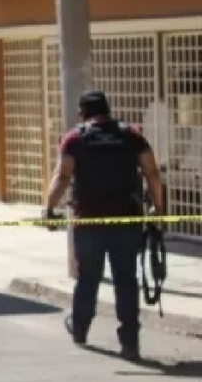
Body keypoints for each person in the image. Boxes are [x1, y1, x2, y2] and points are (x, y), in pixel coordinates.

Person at [44, 90, 163, 361]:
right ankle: (130, 341)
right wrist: (158, 207)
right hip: (126, 219)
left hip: (89, 221)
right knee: (125, 280)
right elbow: (151, 171)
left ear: (83, 112)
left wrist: (49, 207)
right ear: (107, 110)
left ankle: (80, 329)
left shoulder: (74, 138)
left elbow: (62, 175)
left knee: (88, 278)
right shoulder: (130, 134)